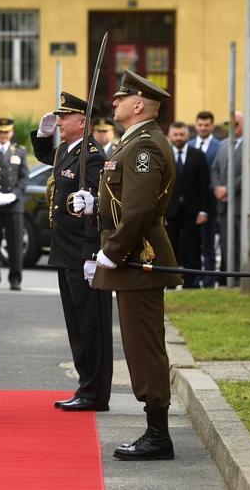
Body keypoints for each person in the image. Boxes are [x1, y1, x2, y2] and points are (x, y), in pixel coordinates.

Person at [87, 69, 180, 461]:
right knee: (137, 344)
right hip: (131, 255)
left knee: (144, 347)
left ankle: (158, 435)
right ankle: (154, 429)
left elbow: (140, 210)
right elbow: (124, 198)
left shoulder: (145, 147)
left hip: (138, 256)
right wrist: (95, 206)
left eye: (122, 98)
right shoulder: (135, 142)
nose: (115, 103)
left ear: (139, 104)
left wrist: (112, 253)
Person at [33, 93, 112, 413]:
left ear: (82, 122)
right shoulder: (69, 150)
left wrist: (92, 254)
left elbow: (97, 206)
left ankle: (94, 392)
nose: (59, 122)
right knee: (76, 324)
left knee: (91, 324)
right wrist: (41, 137)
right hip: (65, 251)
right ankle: (85, 385)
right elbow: (48, 159)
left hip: (82, 252)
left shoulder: (91, 155)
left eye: (64, 117)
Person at [210, 110, 250, 273]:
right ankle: (231, 278)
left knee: (245, 245)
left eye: (235, 123)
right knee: (227, 245)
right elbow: (214, 168)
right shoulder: (223, 144)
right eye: (228, 124)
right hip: (223, 205)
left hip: (244, 205)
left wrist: (228, 189)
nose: (231, 127)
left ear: (245, 124)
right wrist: (217, 188)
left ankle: (246, 279)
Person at [165, 122, 210, 287]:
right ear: (170, 136)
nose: (178, 138)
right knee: (169, 246)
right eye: (175, 135)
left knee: (192, 247)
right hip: (170, 211)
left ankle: (191, 282)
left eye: (181, 135)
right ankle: (169, 281)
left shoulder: (198, 155)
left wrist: (203, 210)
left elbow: (204, 185)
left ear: (187, 136)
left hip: (193, 211)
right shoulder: (165, 154)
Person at [0, 117, 28, 290]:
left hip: (14, 205)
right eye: (0, 132)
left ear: (11, 132)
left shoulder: (19, 151)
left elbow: (24, 177)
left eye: (6, 132)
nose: (3, 135)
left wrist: (14, 194)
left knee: (15, 244)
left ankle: (15, 279)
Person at [193, 111, 222, 270]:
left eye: (206, 125)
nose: (203, 128)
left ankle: (209, 278)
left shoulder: (220, 146)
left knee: (208, 243)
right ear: (196, 125)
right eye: (200, 125)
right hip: (191, 203)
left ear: (212, 126)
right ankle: (194, 278)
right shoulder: (189, 145)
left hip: (211, 202)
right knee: (192, 245)